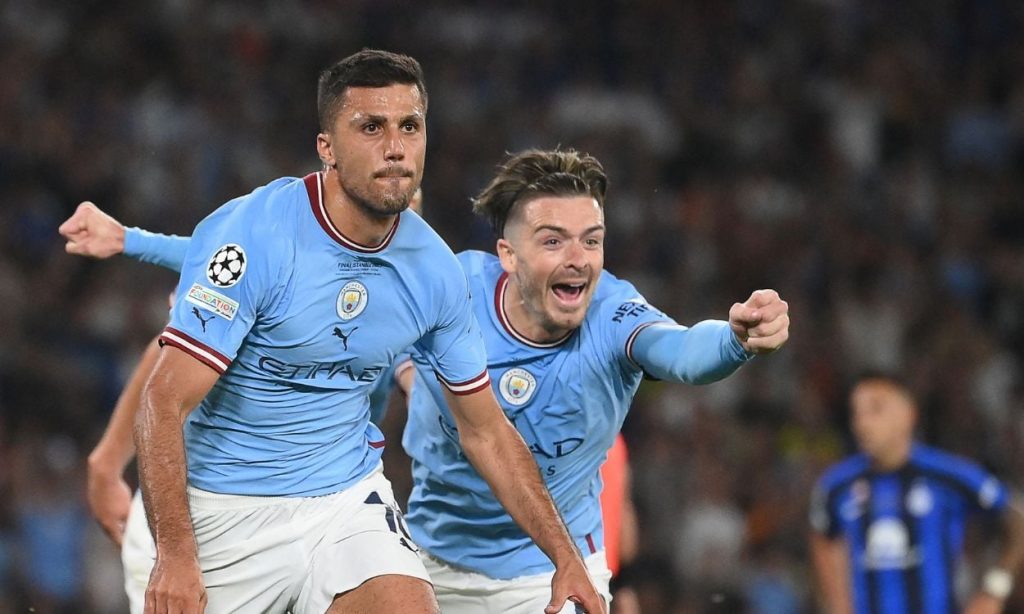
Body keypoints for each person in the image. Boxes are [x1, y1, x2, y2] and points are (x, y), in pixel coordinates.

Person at [67, 148, 791, 612]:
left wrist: (735, 339)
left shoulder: (608, 314)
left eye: (591, 240)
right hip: (430, 560)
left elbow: (685, 353)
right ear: (506, 254)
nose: (578, 257)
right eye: (553, 239)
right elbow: (235, 273)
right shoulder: (436, 289)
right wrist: (130, 240)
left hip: (547, 573)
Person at [64, 49, 603, 614]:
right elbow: (164, 396)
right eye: (371, 127)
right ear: (327, 148)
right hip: (221, 512)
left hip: (344, 502)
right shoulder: (255, 234)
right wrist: (171, 550)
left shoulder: (434, 272)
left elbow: (486, 431)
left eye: (410, 126)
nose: (395, 146)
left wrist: (566, 557)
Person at [809, 372, 1024, 614]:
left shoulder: (947, 474)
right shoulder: (836, 485)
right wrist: (837, 604)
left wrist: (994, 590)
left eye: (876, 409)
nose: (862, 422)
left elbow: (1017, 520)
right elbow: (823, 539)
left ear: (908, 414)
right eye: (856, 412)